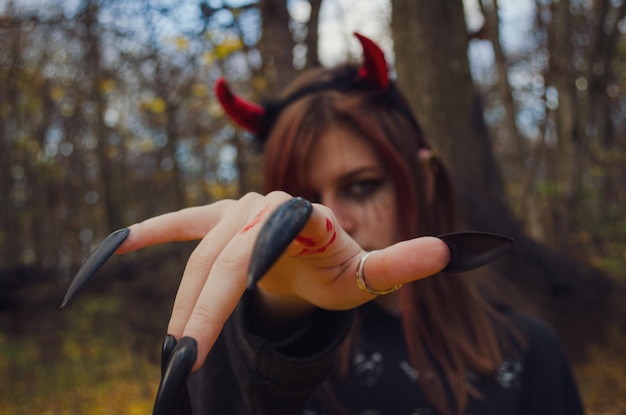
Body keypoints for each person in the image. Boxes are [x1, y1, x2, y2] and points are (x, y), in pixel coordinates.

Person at [73, 33, 584, 414]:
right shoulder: (251, 354)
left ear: (424, 178)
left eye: (362, 184)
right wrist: (276, 319)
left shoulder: (527, 351)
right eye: (300, 201)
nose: (329, 219)